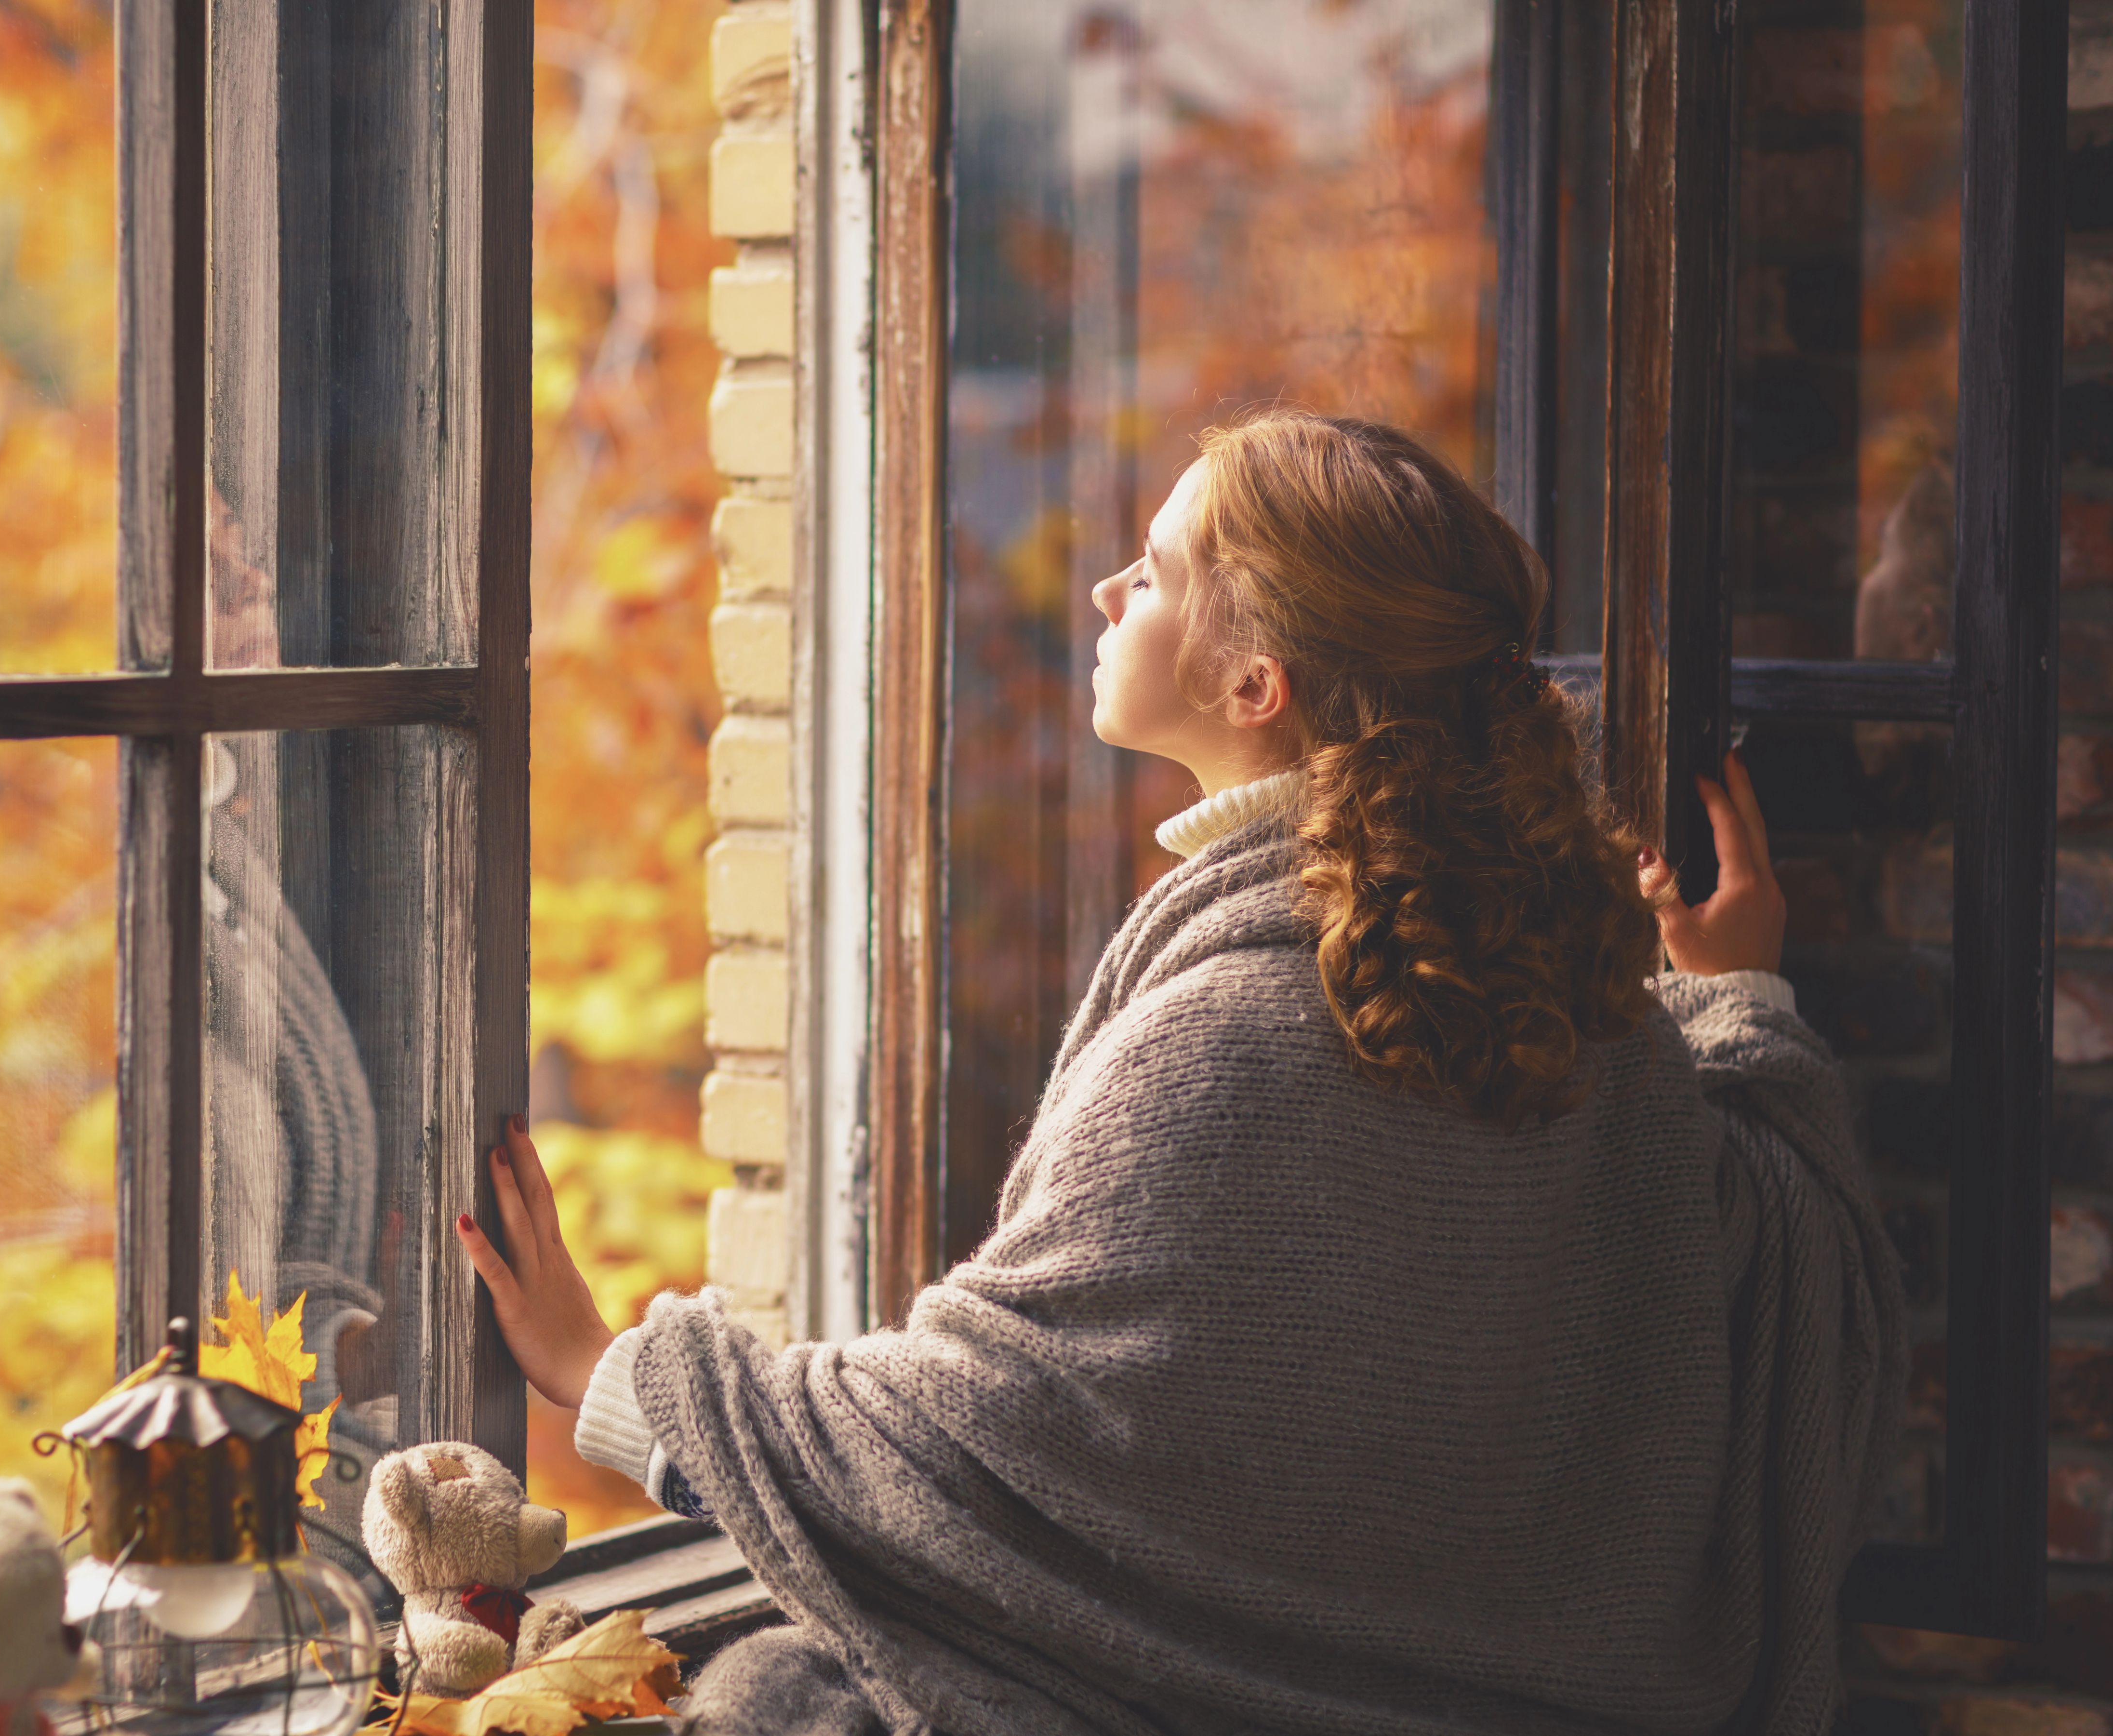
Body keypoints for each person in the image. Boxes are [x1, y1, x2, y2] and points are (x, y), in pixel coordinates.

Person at [458, 409, 1905, 1736]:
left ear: (1255, 681)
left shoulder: (1231, 1039)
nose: (1105, 596)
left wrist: (614, 1375)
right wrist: (1741, 1003)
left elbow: (983, 1435)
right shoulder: (1599, 1009)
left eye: (1149, 575)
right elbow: (1794, 1330)